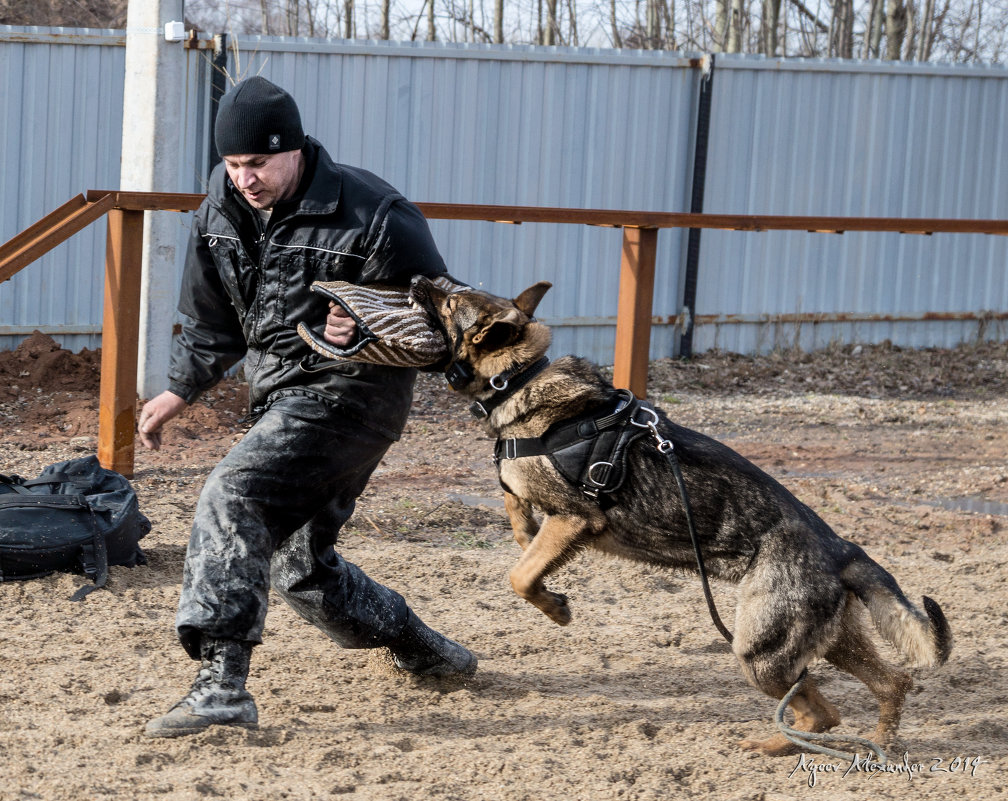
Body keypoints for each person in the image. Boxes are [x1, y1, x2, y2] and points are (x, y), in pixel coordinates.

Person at [138, 76, 476, 738]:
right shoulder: (222, 211)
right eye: (233, 165)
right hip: (280, 399)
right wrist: (178, 390)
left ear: (293, 150)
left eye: (258, 163)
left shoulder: (375, 212)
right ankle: (420, 645)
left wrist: (373, 325)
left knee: (233, 495)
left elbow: (449, 319)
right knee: (298, 569)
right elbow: (211, 322)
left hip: (356, 396)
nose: (245, 179)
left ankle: (220, 685)